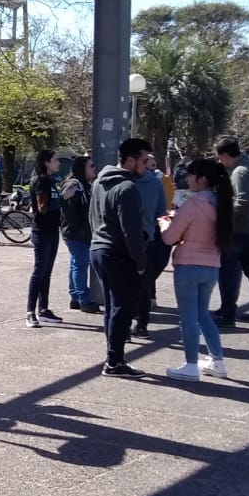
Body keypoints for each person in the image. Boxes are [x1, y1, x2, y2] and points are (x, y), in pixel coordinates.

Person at [161, 158, 232, 381]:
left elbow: (170, 237)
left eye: (191, 175)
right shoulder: (221, 203)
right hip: (212, 266)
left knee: (188, 318)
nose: (188, 179)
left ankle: (190, 365)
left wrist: (164, 224)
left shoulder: (193, 204)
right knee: (202, 314)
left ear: (202, 179)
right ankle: (217, 361)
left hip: (188, 265)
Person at [89, 138, 153, 378]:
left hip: (99, 249)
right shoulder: (127, 188)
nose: (147, 166)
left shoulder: (99, 182)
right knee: (123, 307)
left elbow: (92, 217)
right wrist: (141, 262)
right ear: (131, 160)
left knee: (113, 306)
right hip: (118, 253)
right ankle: (114, 361)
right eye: (144, 161)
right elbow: (131, 231)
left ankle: (113, 357)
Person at [213, 137, 249, 325]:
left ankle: (228, 313)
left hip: (238, 229)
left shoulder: (240, 172)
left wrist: (224, 218)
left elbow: (242, 202)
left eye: (219, 157)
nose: (219, 161)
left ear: (226, 155)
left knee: (227, 271)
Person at [131, 153, 170, 338]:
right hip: (148, 238)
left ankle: (128, 324)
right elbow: (162, 212)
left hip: (128, 240)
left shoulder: (124, 182)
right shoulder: (155, 183)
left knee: (125, 285)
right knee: (144, 284)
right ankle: (141, 324)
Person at [25, 149, 63, 328]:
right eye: (55, 160)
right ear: (47, 162)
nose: (58, 163)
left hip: (53, 230)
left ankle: (44, 309)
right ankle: (30, 312)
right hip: (42, 231)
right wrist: (62, 200)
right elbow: (42, 208)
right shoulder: (40, 181)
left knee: (47, 271)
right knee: (39, 271)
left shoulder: (51, 180)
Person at [60, 155, 98, 313]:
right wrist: (79, 226)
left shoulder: (85, 185)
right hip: (76, 232)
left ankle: (76, 297)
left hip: (78, 232)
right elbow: (67, 208)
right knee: (80, 265)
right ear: (82, 168)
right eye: (91, 166)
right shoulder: (74, 185)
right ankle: (83, 299)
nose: (94, 168)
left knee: (76, 264)